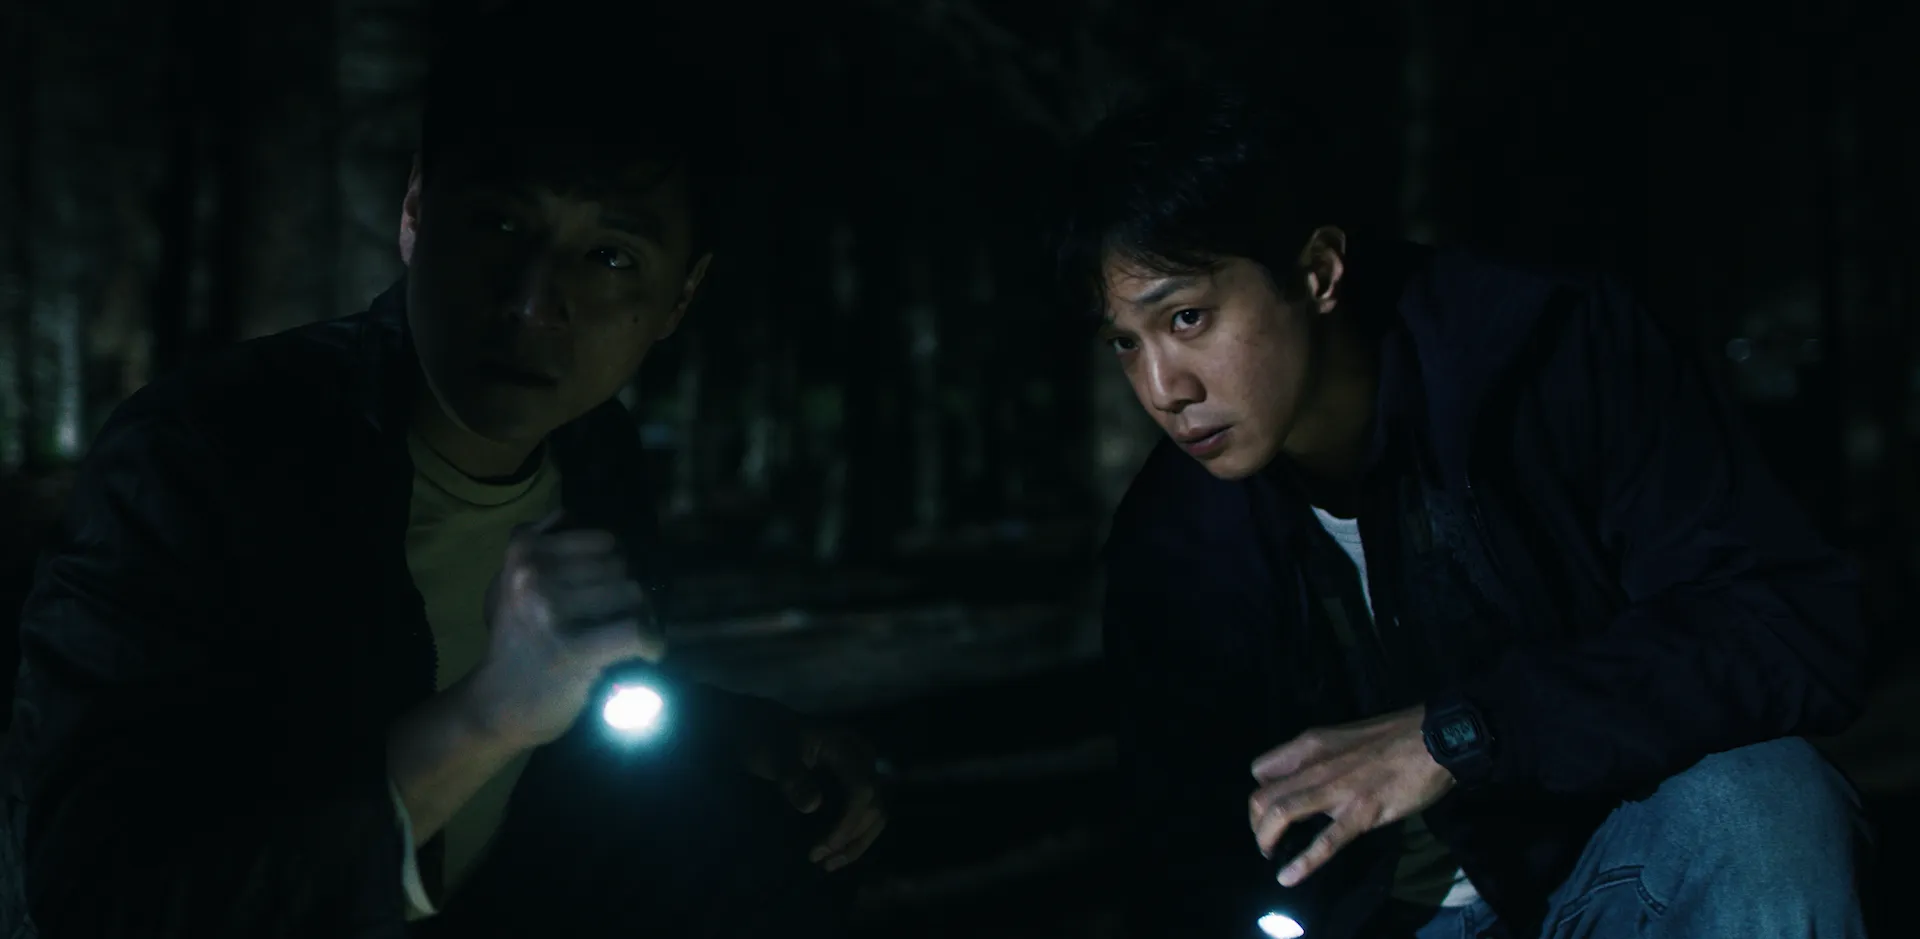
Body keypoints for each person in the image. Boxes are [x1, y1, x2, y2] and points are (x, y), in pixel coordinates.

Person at [0, 5, 886, 937]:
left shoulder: (594, 453)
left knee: (768, 834)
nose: (534, 301)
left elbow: (569, 717)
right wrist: (487, 716)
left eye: (609, 256)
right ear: (417, 212)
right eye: (499, 223)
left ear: (679, 297)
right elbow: (92, 899)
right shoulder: (200, 457)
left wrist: (733, 733)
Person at [1055, 83, 1872, 939]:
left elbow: (1789, 623)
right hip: (1375, 924)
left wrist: (1465, 732)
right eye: (1126, 343)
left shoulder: (1545, 359)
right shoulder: (1173, 536)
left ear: (1317, 272)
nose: (1163, 388)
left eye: (1188, 317)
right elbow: (1179, 849)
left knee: (1764, 805)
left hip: (1607, 875)